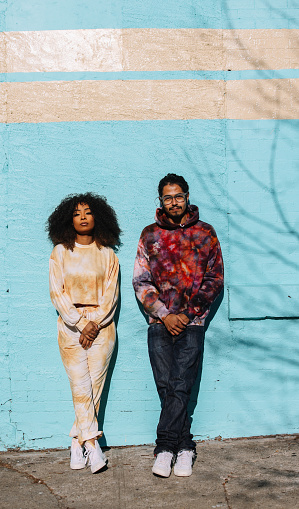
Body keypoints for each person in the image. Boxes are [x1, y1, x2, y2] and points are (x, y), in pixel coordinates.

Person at [133, 173, 224, 478]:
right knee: (166, 386)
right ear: (161, 200)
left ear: (187, 196)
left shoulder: (205, 233)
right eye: (167, 197)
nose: (173, 202)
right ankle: (185, 447)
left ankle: (164, 448)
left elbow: (214, 279)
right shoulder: (149, 235)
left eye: (178, 196)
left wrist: (188, 314)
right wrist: (164, 313)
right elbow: (141, 280)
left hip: (193, 323)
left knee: (181, 385)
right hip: (160, 322)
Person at [47, 193, 121, 474]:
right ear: (69, 219)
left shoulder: (108, 255)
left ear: (97, 217)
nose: (82, 216)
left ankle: (78, 444)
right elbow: (57, 292)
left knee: (94, 388)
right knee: (80, 387)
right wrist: (79, 323)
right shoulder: (60, 252)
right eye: (77, 213)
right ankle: (91, 444)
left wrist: (95, 324)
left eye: (88, 212)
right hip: (69, 326)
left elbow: (111, 295)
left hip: (103, 328)